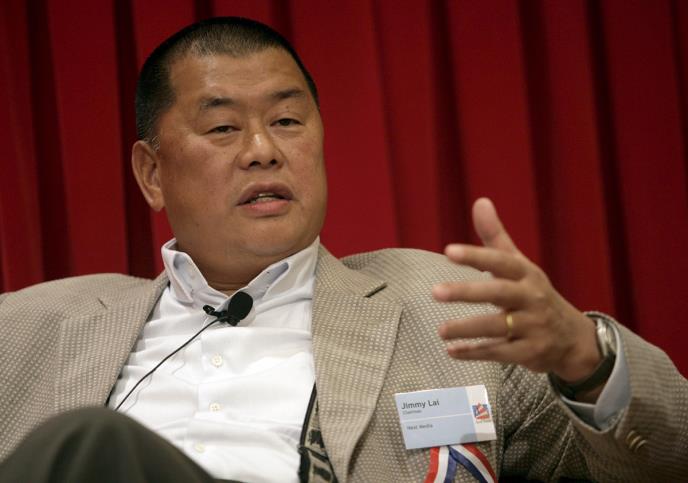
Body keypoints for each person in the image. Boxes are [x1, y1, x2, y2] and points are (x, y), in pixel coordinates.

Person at [0, 17, 685, 483]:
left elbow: (666, 460)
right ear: (152, 173)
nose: (263, 149)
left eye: (286, 120)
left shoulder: (448, 312)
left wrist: (586, 359)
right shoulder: (26, 329)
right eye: (223, 127)